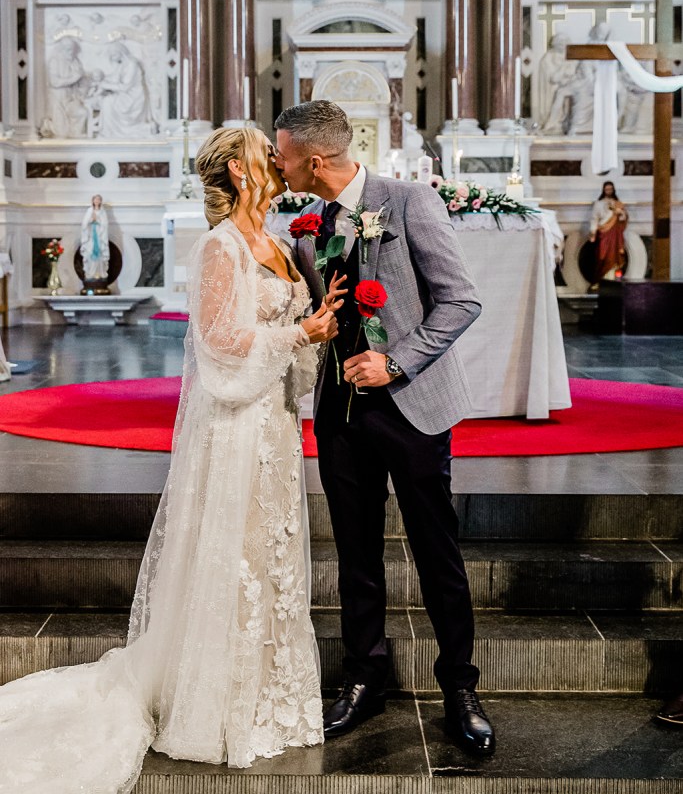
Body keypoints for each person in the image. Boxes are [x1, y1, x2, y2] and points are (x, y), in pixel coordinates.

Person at [0, 126, 341, 789]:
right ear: (239, 175)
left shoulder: (280, 243)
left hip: (274, 425)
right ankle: (218, 705)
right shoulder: (219, 247)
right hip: (235, 428)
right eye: (261, 156)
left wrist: (318, 325)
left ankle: (272, 696)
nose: (275, 162)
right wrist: (301, 329)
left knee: (269, 557)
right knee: (235, 558)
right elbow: (218, 343)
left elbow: (286, 337)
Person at [274, 100, 496, 758]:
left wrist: (396, 360)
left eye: (281, 153)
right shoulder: (306, 229)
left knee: (437, 554)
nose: (275, 163)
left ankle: (459, 687)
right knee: (356, 555)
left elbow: (461, 299)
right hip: (340, 413)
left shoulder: (408, 202)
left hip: (412, 406)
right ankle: (363, 678)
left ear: (314, 160)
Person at [589, 180, 628, 284]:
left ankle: (612, 281)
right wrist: (593, 232)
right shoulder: (599, 203)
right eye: (607, 189)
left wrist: (620, 213)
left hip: (615, 234)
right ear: (603, 190)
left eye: (610, 189)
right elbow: (594, 218)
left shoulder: (618, 204)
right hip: (603, 233)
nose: (609, 191)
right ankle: (599, 280)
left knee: (614, 257)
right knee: (602, 257)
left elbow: (623, 219)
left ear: (613, 190)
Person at [80, 194, 110, 281]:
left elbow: (105, 224)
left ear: (100, 201)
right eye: (95, 200)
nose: (97, 201)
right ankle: (90, 273)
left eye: (98, 200)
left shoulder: (102, 212)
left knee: (100, 253)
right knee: (90, 253)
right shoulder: (89, 211)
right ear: (93, 201)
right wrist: (91, 220)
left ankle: (100, 273)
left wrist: (98, 220)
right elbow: (84, 224)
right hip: (90, 236)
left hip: (100, 235)